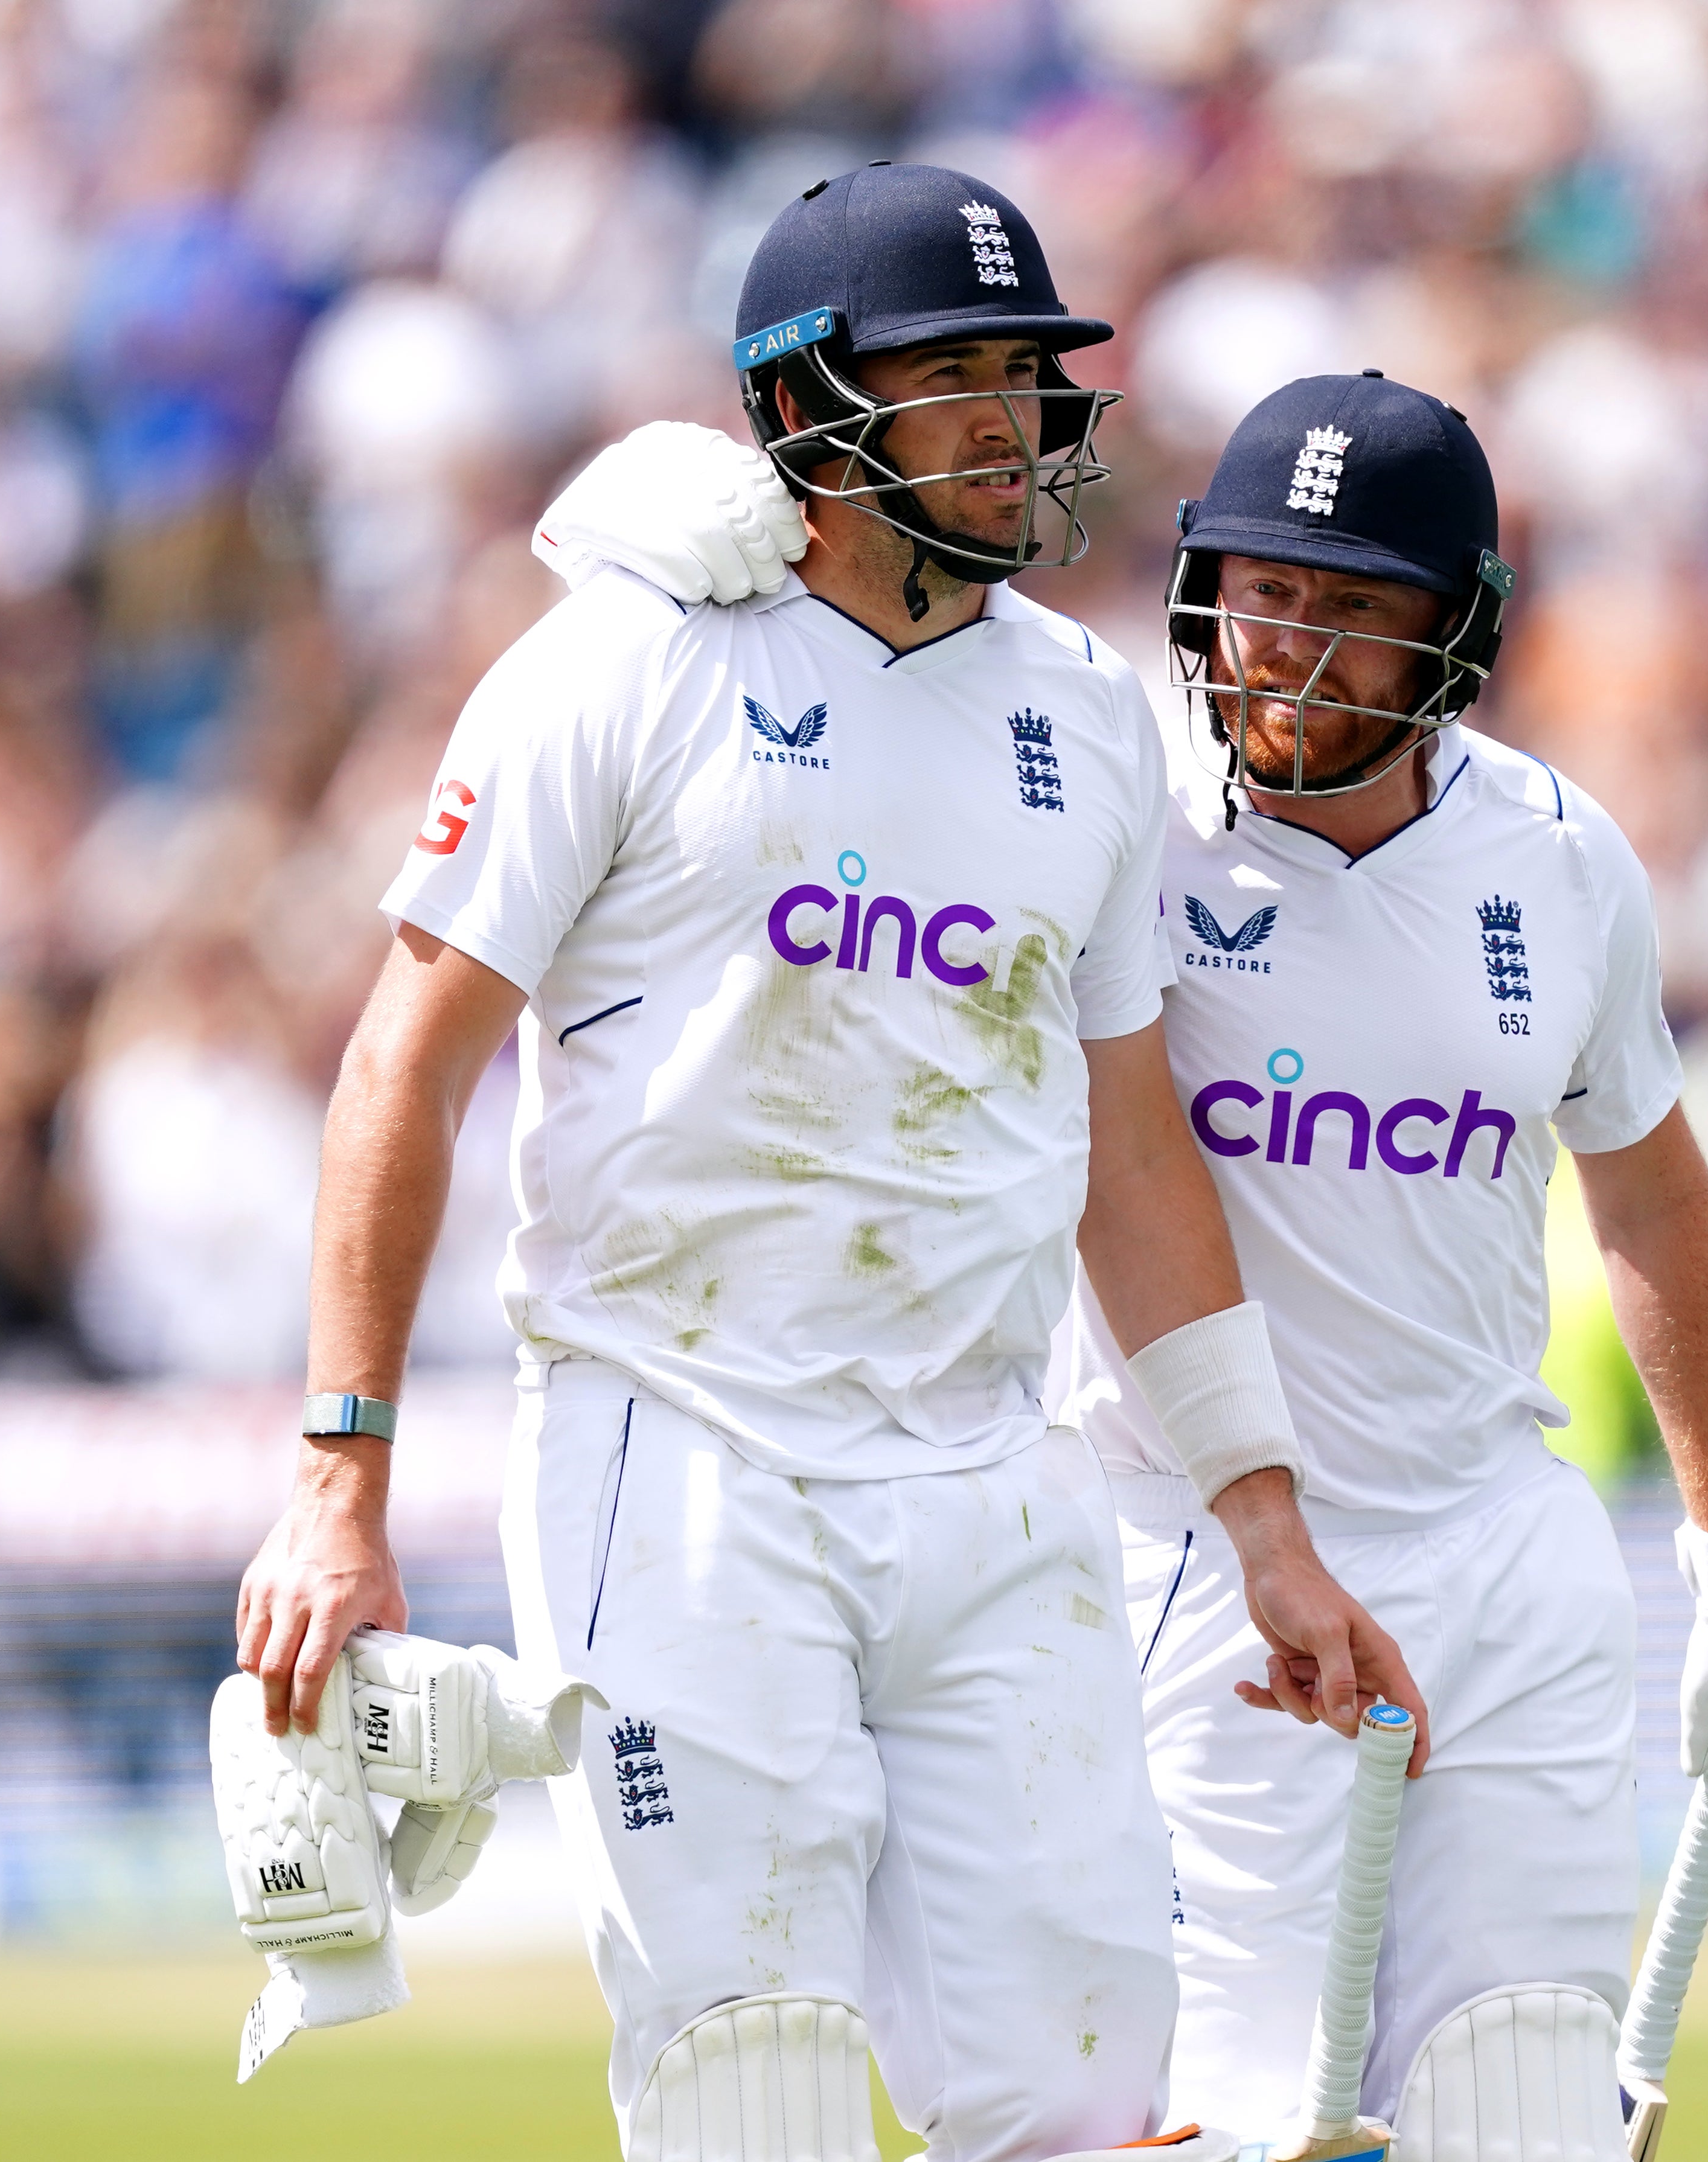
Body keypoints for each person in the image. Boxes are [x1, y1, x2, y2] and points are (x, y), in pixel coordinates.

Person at [546, 370, 1708, 2162]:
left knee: (1527, 2109)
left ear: (1459, 634)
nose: (1289, 652)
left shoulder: (1564, 864)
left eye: (1352, 609)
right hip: (1195, 1573)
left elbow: (1653, 1207)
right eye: (1262, 592)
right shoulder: (1109, 811)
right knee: (1214, 2132)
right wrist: (710, 547)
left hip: (1505, 1548)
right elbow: (907, 656)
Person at [232, 167, 1421, 2162]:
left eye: (1026, 375)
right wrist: (337, 1481)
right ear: (801, 410)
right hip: (682, 1451)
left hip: (989, 1467)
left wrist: (1266, 1526)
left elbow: (1135, 1155)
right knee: (748, 2076)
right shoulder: (621, 667)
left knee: (1087, 2099)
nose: (1006, 420)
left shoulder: (1088, 718)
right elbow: (401, 1066)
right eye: (946, 372)